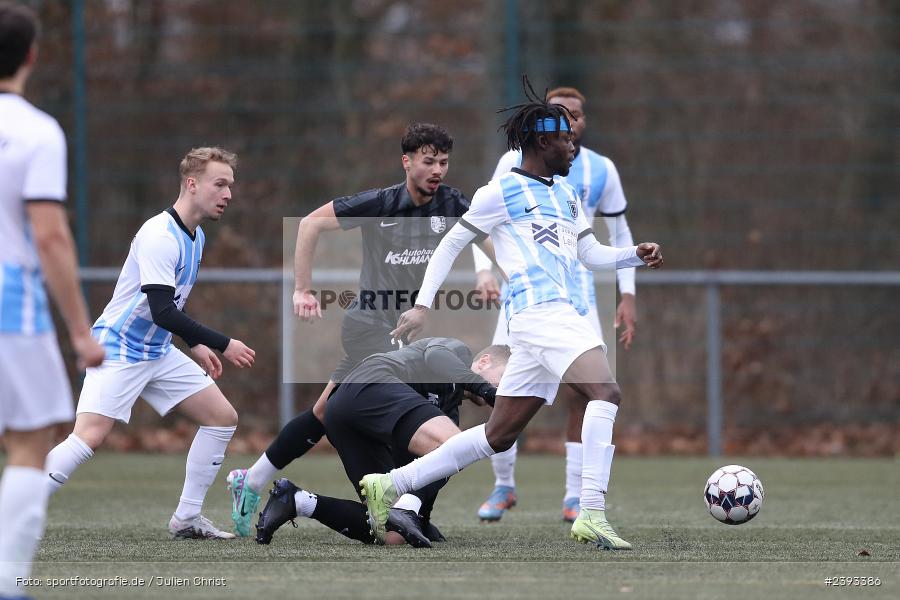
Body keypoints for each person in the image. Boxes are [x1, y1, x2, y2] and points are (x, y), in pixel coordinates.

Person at [359, 77, 663, 550]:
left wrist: (633, 257)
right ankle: (593, 513)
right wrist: (422, 306)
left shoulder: (565, 194)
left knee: (497, 435)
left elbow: (591, 255)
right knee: (605, 391)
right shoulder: (499, 192)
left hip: (561, 316)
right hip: (538, 314)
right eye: (564, 138)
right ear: (542, 141)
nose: (572, 144)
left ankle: (391, 483)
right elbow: (450, 245)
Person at [227, 123, 495, 537]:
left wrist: (508, 274)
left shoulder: (453, 203)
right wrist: (302, 289)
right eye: (428, 161)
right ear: (406, 162)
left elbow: (490, 239)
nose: (437, 169)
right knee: (436, 410)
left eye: (443, 161)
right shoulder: (380, 203)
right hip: (371, 325)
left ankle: (256, 479)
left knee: (324, 412)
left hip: (407, 332)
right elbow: (309, 225)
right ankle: (405, 501)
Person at [43, 147, 256, 540]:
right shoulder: (159, 234)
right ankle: (16, 511)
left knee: (222, 418)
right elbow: (162, 311)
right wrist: (223, 342)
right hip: (119, 348)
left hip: (156, 351)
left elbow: (169, 307)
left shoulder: (197, 235)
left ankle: (187, 519)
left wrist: (194, 342)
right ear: (192, 184)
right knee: (89, 435)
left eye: (230, 185)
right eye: (220, 184)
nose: (228, 194)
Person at [471, 86, 639, 523]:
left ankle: (574, 497)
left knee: (586, 393)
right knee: (500, 386)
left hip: (577, 294)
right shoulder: (515, 161)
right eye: (560, 114)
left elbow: (618, 236)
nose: (570, 122)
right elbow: (480, 218)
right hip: (526, 294)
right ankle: (503, 485)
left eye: (577, 115)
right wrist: (485, 270)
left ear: (584, 121)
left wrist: (628, 293)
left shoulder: (602, 170)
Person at [0, 3, 105, 596]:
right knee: (29, 440)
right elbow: (49, 235)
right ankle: (8, 584)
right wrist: (80, 331)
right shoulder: (38, 131)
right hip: (10, 308)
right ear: (32, 56)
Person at [254, 338, 508, 548]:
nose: (507, 390)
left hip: (344, 416)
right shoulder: (458, 353)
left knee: (390, 534)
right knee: (458, 445)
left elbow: (424, 469)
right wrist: (487, 389)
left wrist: (423, 520)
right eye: (506, 379)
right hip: (368, 383)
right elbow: (435, 357)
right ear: (484, 361)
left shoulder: (449, 408)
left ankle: (297, 501)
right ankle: (406, 511)